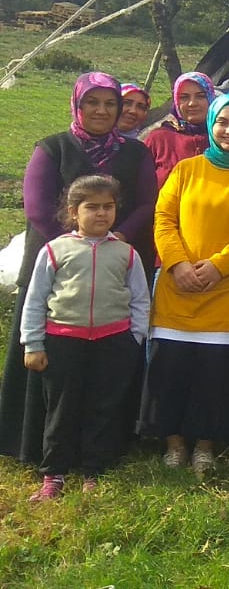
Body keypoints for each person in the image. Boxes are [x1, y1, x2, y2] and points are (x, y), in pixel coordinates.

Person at [1, 72, 157, 468]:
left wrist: (114, 236)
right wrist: (73, 244)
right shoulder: (52, 148)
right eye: (93, 103)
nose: (102, 111)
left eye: (110, 103)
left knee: (107, 363)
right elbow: (37, 207)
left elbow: (145, 203)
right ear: (77, 105)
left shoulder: (136, 153)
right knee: (53, 364)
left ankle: (103, 447)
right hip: (55, 265)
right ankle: (38, 445)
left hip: (112, 264)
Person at [144, 93, 229, 474]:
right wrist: (178, 264)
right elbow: (163, 219)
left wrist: (219, 266)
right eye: (223, 122)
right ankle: (172, 442)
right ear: (211, 125)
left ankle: (205, 445)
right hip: (178, 288)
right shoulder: (186, 170)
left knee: (216, 374)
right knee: (170, 370)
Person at [19, 174, 149, 500]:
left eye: (108, 207)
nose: (101, 213)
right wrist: (33, 344)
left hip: (113, 342)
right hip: (63, 342)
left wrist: (135, 339)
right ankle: (54, 474)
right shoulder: (54, 251)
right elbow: (35, 300)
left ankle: (94, 469)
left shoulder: (126, 254)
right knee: (61, 409)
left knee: (102, 408)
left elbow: (140, 300)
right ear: (73, 211)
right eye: (92, 207)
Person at [141, 72, 216, 187]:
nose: (192, 103)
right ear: (176, 102)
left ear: (211, 98)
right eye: (184, 97)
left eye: (200, 96)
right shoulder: (159, 139)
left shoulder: (223, 138)